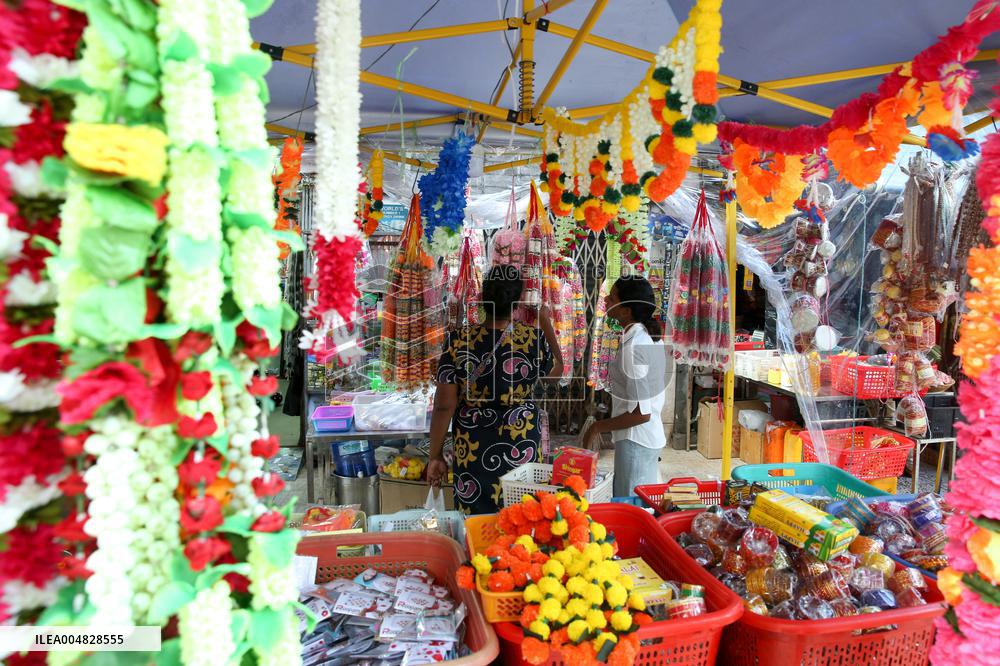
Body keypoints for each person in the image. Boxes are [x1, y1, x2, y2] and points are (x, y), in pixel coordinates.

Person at [426, 265, 563, 514]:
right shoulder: (534, 340)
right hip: (521, 439)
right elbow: (556, 372)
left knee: (477, 517)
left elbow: (444, 405)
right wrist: (545, 323)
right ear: (518, 302)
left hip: (474, 442)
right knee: (523, 515)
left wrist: (435, 455)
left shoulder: (458, 340)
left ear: (481, 297)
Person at [582, 275, 668, 497]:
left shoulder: (636, 347)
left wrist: (597, 427)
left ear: (626, 310)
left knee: (629, 504)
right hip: (640, 439)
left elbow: (641, 413)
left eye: (612, 298)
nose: (607, 302)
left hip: (636, 440)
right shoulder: (642, 337)